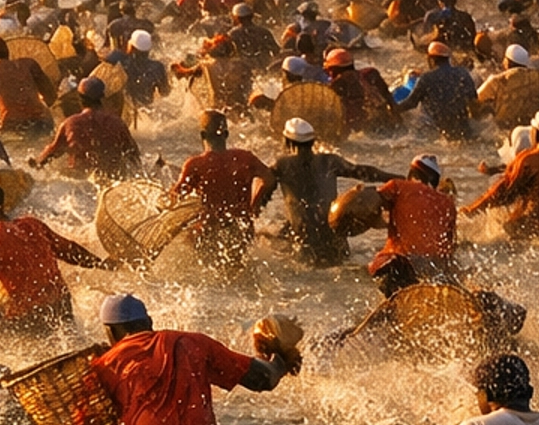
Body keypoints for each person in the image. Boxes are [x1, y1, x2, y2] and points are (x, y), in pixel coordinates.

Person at [83, 291, 299, 425]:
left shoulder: (102, 366)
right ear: (149, 322)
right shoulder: (191, 342)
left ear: (109, 331)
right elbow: (264, 378)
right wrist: (282, 357)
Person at [0, 182, 111, 331]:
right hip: (61, 304)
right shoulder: (32, 224)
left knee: (1, 347)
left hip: (29, 313)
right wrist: (101, 264)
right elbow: (70, 251)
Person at [255, 121, 389, 267]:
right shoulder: (330, 161)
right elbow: (365, 172)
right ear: (312, 142)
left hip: (305, 247)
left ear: (287, 142)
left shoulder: (282, 165)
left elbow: (263, 190)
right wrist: (395, 177)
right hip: (336, 245)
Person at [171, 112, 276, 271]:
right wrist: (254, 206)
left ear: (202, 135)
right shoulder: (245, 158)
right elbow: (269, 179)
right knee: (240, 272)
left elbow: (174, 199)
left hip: (209, 233)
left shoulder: (195, 164)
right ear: (226, 134)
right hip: (241, 230)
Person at [465, 110, 539, 241]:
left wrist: (471, 210)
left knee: (509, 228)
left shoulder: (529, 160)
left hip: (533, 227)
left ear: (536, 133)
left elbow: (502, 193)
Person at [369, 156, 457, 295]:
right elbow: (450, 248)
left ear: (411, 173)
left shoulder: (398, 186)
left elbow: (369, 203)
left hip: (404, 265)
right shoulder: (448, 203)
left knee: (384, 266)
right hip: (435, 267)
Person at [35, 78, 141, 182]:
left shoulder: (69, 124)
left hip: (79, 183)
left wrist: (35, 165)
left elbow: (51, 153)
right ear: (102, 97)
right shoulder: (117, 123)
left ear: (79, 99)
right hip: (112, 180)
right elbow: (134, 155)